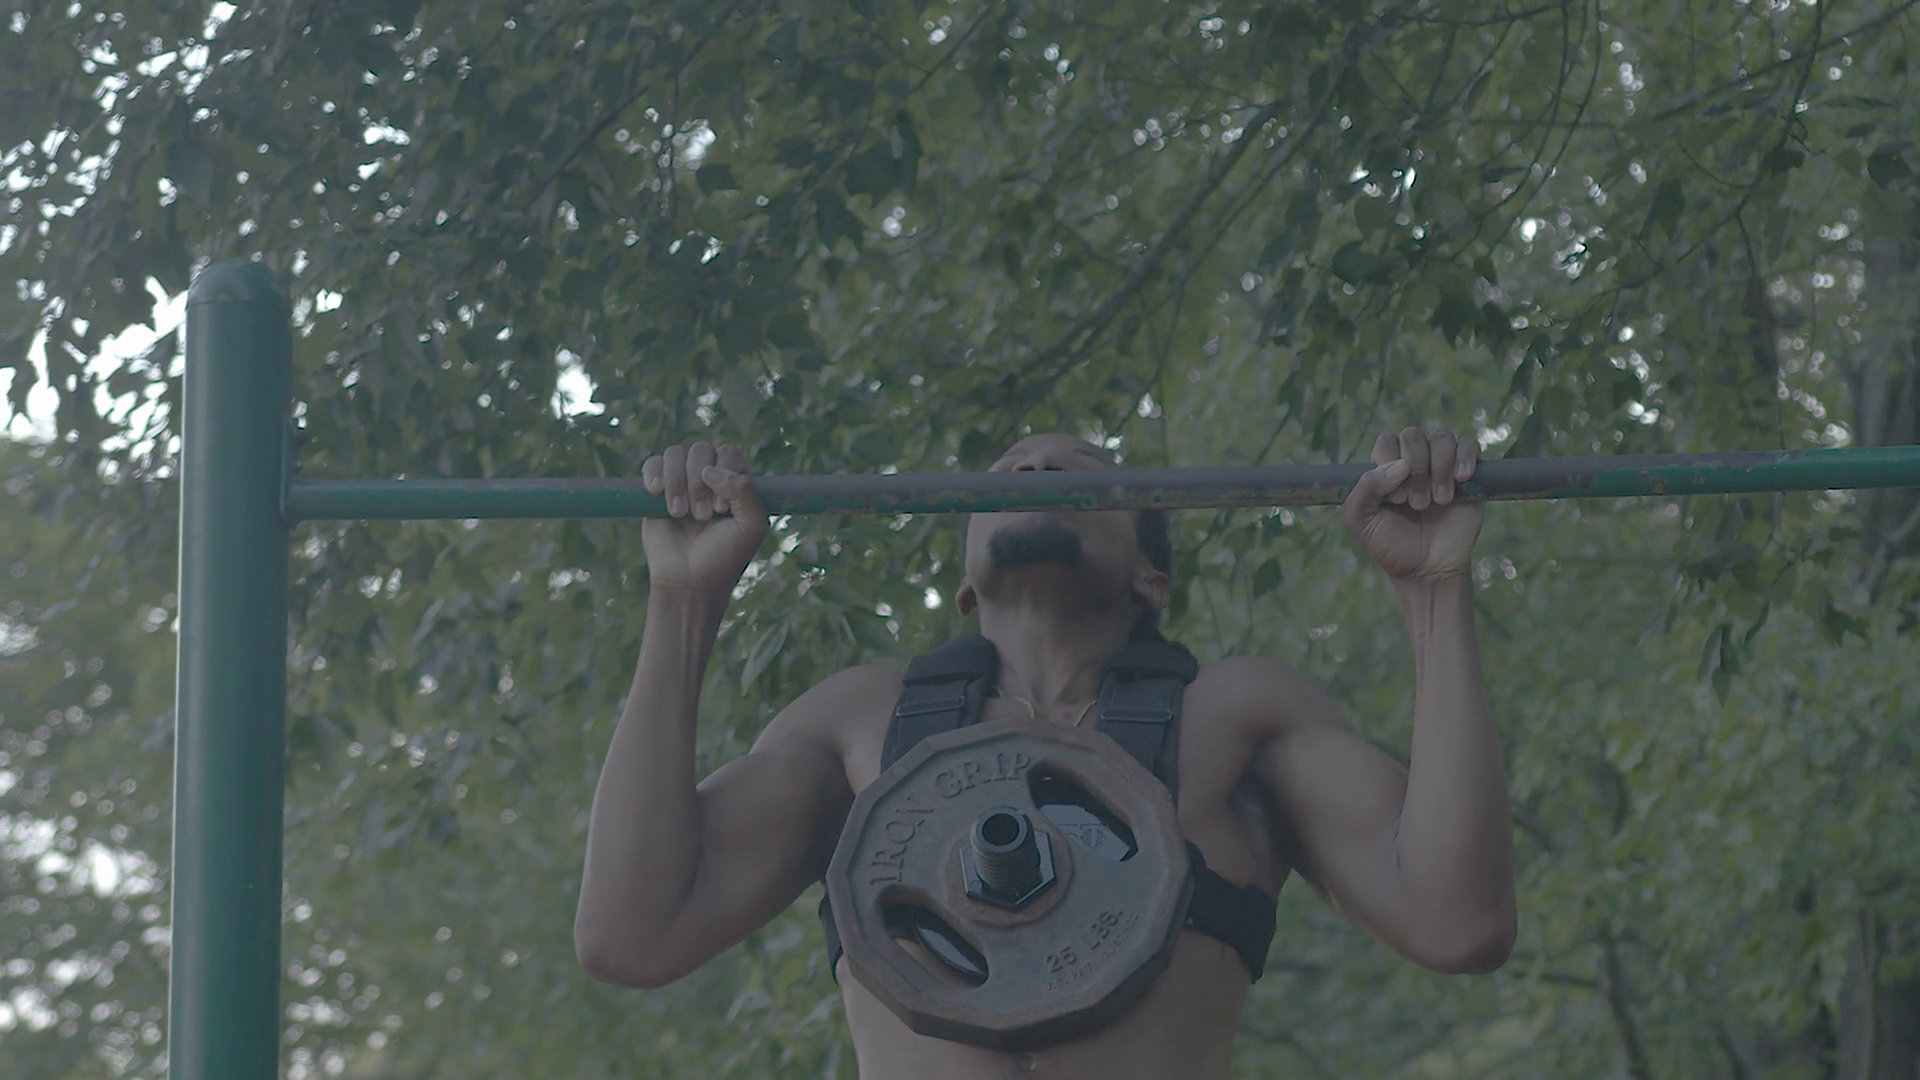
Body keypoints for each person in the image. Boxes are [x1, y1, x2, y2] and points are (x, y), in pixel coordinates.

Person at [575, 429, 1515, 1079]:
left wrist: (1434, 587)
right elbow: (629, 933)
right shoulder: (861, 722)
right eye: (1011, 466)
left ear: (1152, 577)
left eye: (1081, 467)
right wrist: (683, 599)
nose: (1036, 467)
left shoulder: (1237, 718)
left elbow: (1458, 920)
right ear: (964, 586)